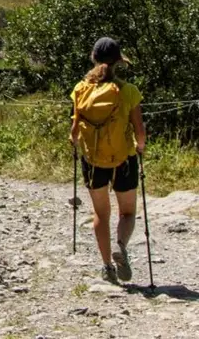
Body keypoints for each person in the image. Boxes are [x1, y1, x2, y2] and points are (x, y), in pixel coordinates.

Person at [69, 37, 147, 283]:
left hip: (93, 161)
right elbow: (139, 131)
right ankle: (121, 246)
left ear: (93, 57)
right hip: (123, 159)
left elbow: (74, 133)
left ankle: (107, 267)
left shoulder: (80, 89)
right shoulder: (128, 91)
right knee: (127, 212)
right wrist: (140, 147)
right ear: (118, 61)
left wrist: (77, 144)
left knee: (100, 214)